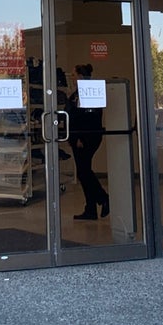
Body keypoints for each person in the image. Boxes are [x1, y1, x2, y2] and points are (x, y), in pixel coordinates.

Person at [68, 63, 109, 220]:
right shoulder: (79, 94)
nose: (71, 78)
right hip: (80, 136)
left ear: (80, 76)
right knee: (84, 171)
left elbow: (86, 117)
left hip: (85, 137)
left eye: (73, 75)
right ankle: (90, 208)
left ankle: (103, 198)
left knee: (84, 172)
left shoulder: (87, 93)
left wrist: (80, 137)